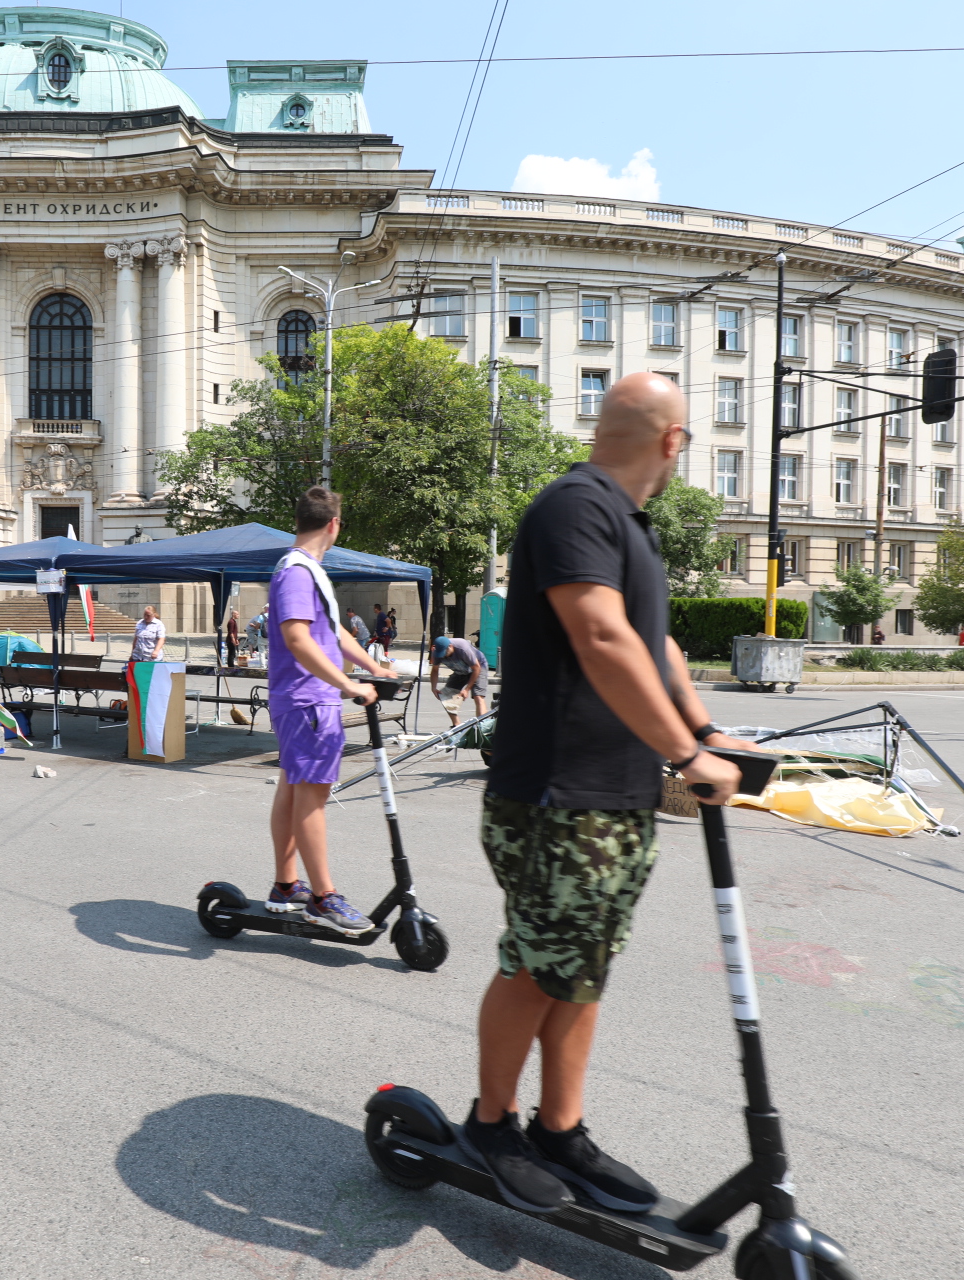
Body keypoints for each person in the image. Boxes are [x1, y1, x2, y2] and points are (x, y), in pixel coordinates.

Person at [464, 371, 765, 1216]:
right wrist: (680, 750)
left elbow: (651, 644)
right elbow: (598, 633)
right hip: (557, 799)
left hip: (614, 798)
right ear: (673, 442)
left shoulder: (631, 527)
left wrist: (703, 734)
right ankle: (492, 1124)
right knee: (534, 967)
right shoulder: (575, 506)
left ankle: (562, 1130)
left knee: (580, 972)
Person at [264, 486, 398, 936]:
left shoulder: (305, 570)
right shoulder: (298, 573)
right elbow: (298, 638)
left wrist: (373, 666)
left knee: (293, 788)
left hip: (301, 700)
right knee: (312, 798)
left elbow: (334, 633)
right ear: (334, 524)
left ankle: (286, 886)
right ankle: (323, 897)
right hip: (309, 701)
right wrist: (348, 685)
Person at [431, 634, 491, 727]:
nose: (443, 656)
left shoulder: (462, 648)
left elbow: (476, 668)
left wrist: (466, 689)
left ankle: (483, 727)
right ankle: (457, 726)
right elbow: (435, 670)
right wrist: (433, 687)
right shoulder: (437, 652)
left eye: (445, 653)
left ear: (450, 646)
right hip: (460, 671)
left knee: (478, 696)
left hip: (478, 667)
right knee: (445, 695)